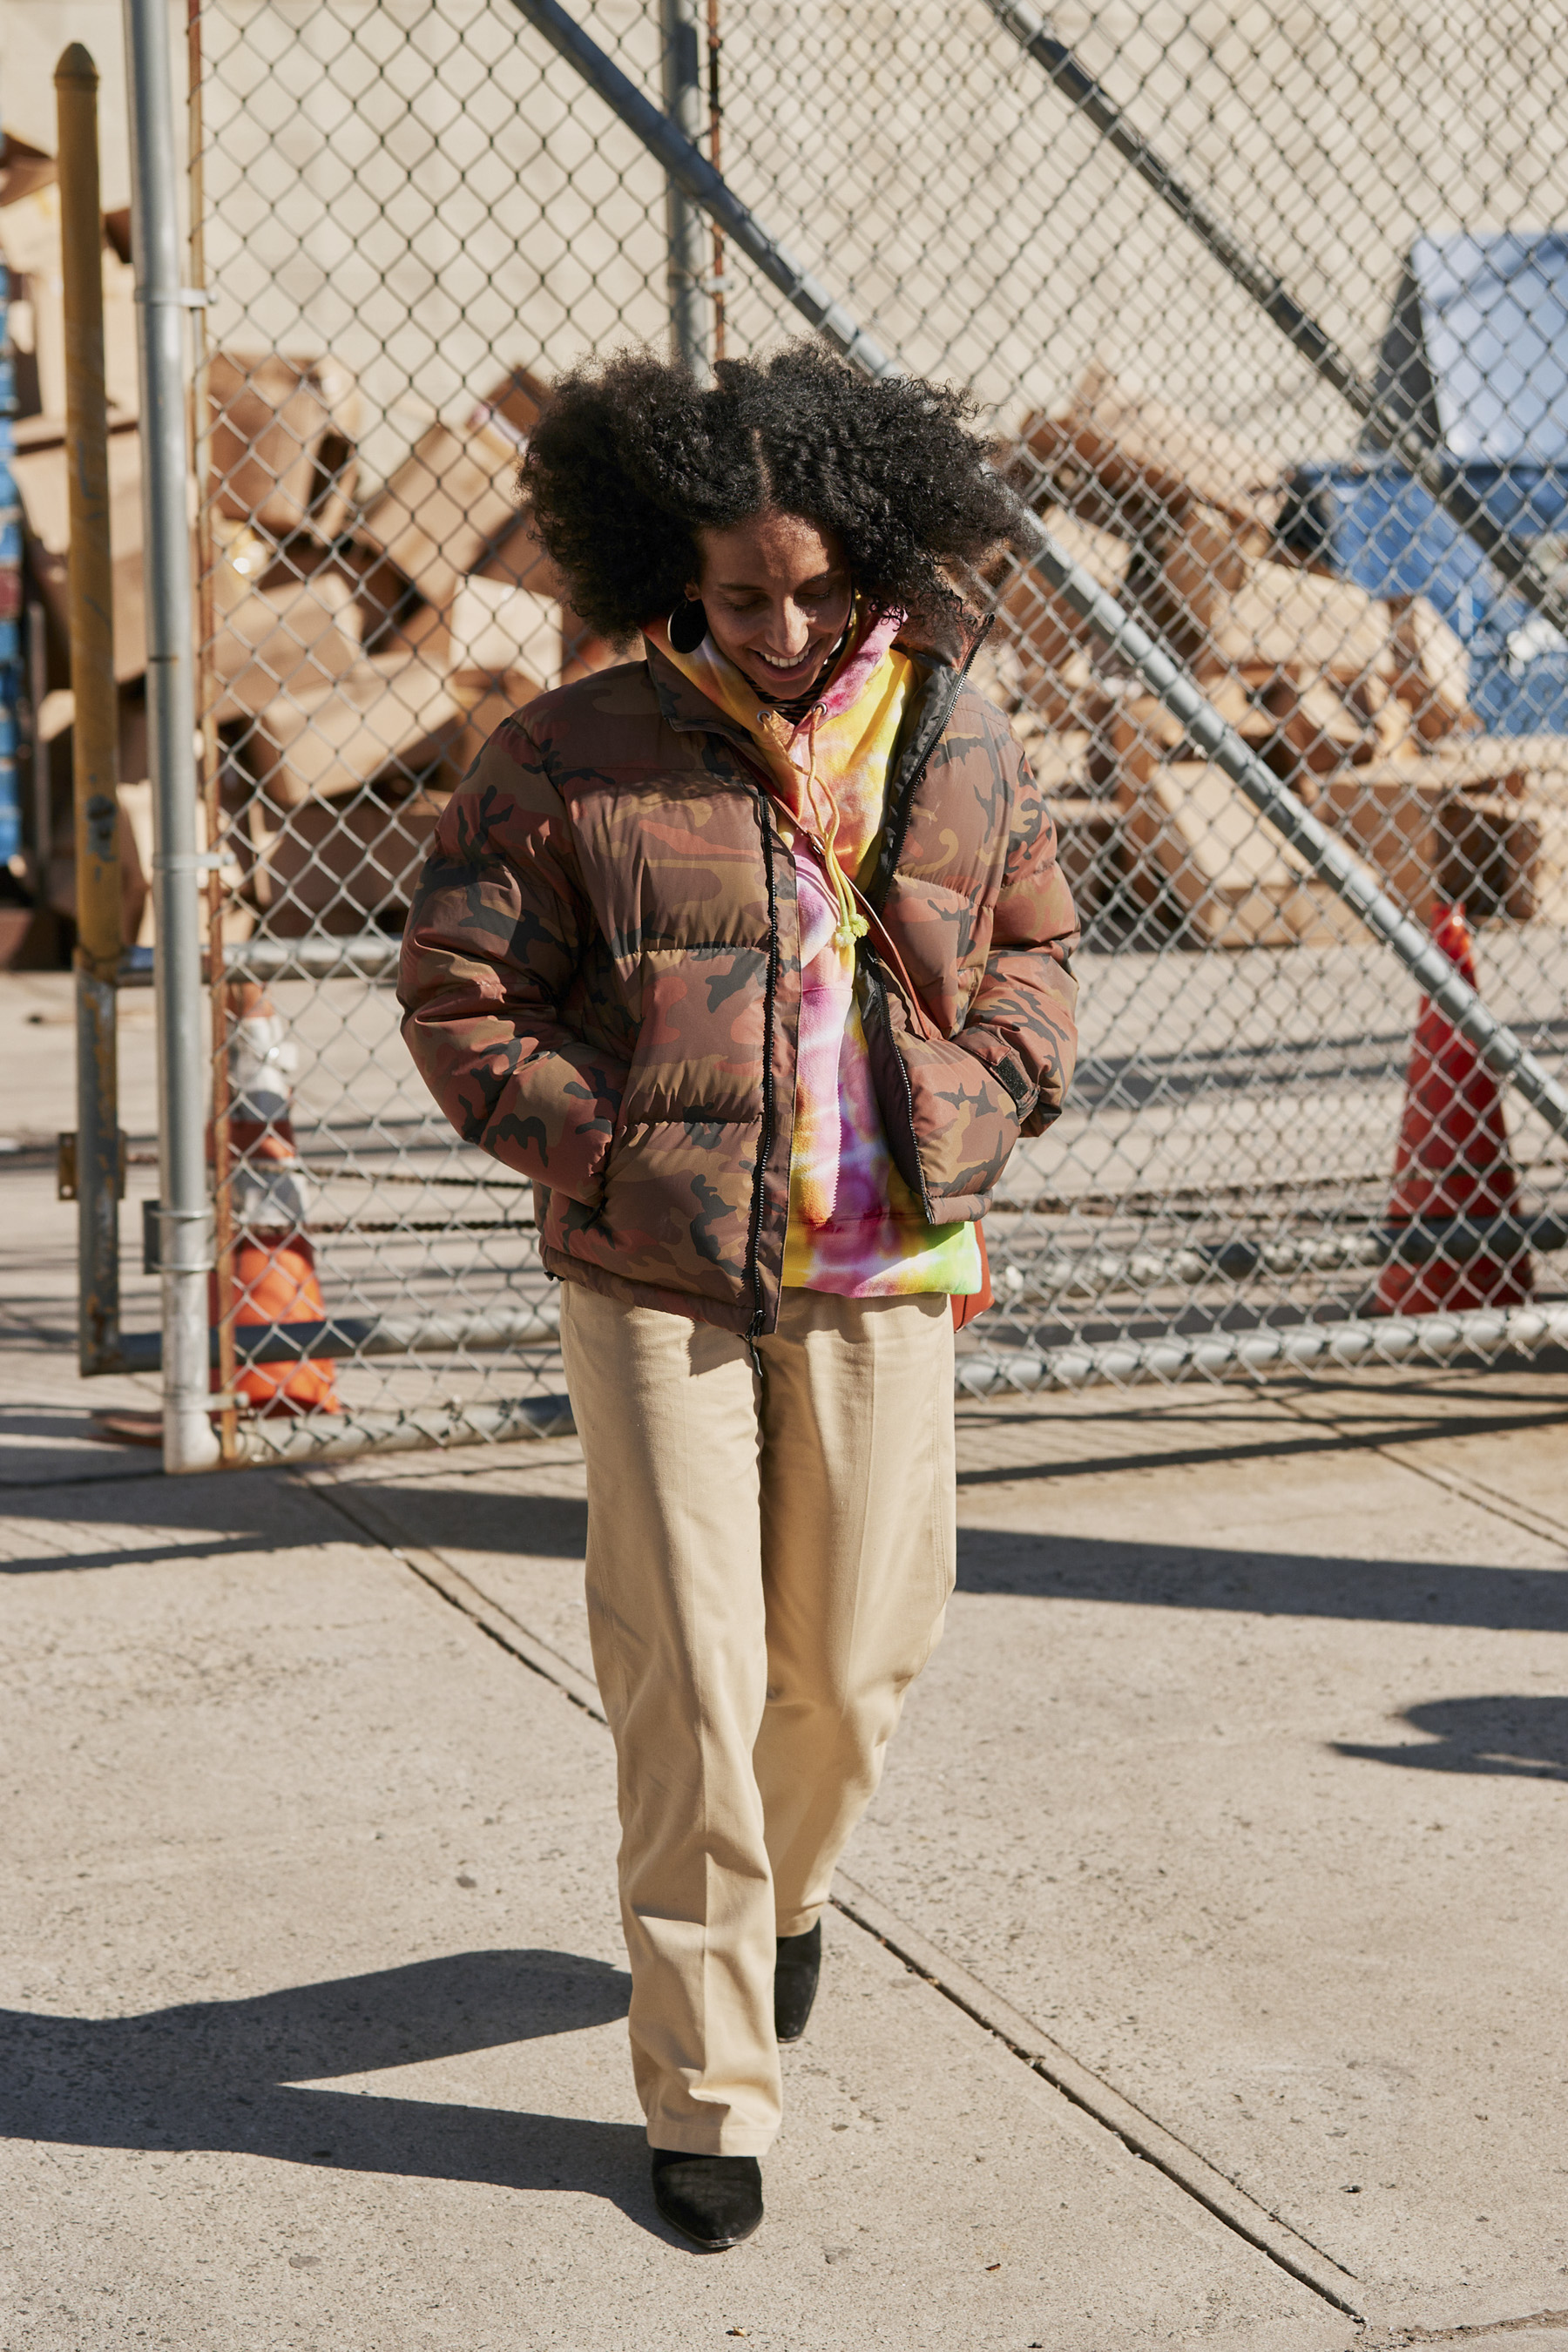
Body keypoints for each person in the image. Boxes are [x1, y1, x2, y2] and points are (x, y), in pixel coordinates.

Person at [399, 343, 1079, 2251]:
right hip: (655, 1270)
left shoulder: (956, 735)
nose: (782, 630)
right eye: (737, 596)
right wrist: (612, 1148)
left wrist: (982, 1092)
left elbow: (1036, 948)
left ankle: (787, 1892)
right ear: (672, 578)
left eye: (816, 589)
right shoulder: (569, 750)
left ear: (878, 557)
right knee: (688, 1678)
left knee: (852, 1666)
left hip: (881, 1257)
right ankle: (704, 2085)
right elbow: (459, 990)